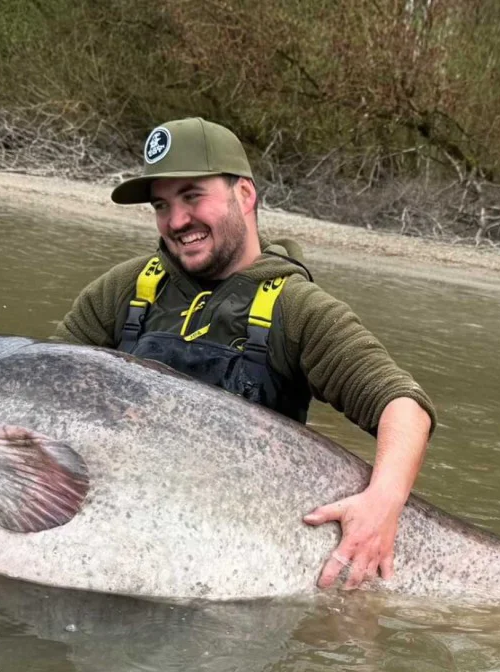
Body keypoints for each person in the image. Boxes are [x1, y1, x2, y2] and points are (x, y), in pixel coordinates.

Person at [54, 117, 435, 590]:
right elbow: (49, 380)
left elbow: (404, 406)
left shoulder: (296, 309)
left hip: (239, 553)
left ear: (245, 195)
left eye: (193, 196)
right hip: (125, 533)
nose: (176, 222)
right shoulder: (127, 289)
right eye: (161, 205)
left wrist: (383, 504)